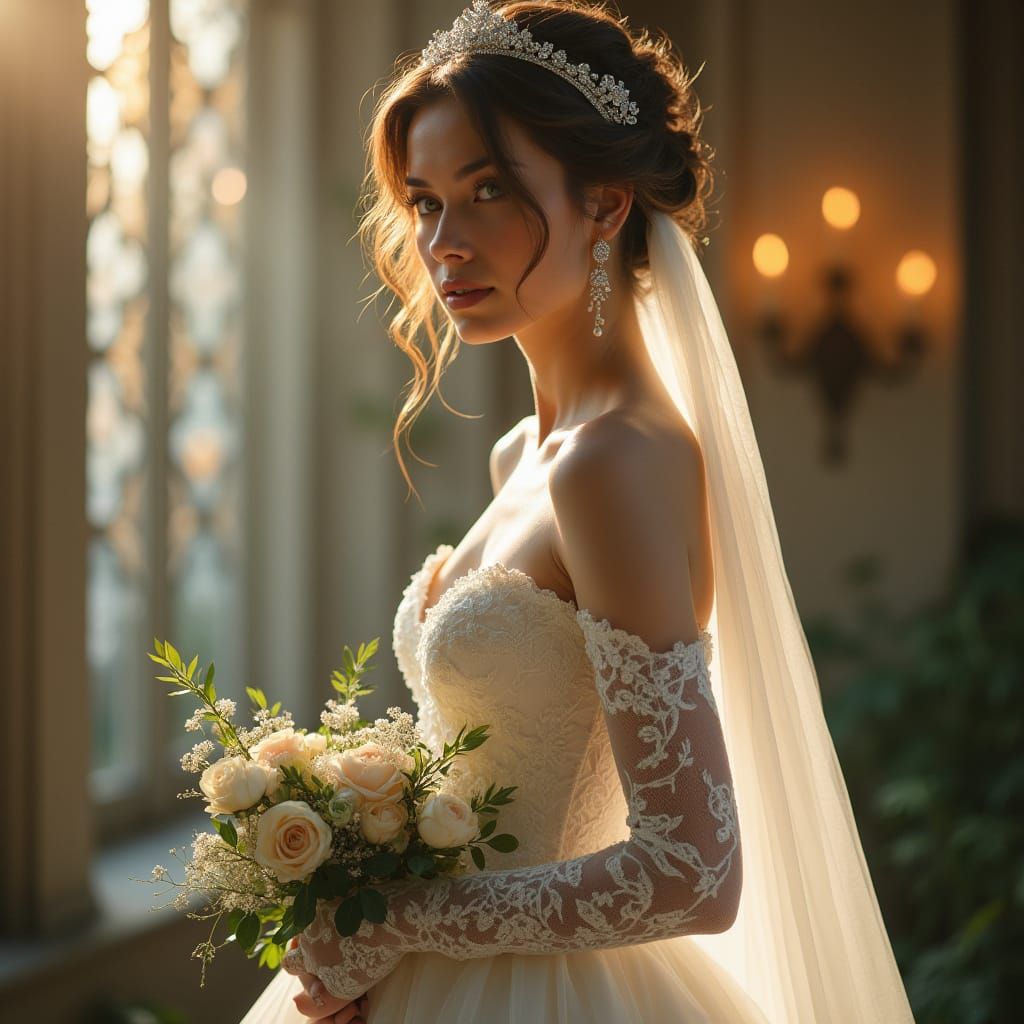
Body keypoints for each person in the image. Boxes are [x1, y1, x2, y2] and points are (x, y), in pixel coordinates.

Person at [239, 3, 916, 1021]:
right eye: (423, 202)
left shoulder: (615, 462)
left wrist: (391, 919)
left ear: (603, 205)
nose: (443, 242)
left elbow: (692, 866)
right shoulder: (531, 452)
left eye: (487, 192)